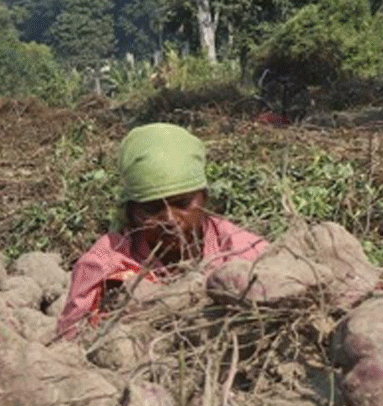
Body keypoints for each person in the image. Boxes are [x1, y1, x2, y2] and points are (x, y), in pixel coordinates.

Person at [56, 122, 269, 338]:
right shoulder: (103, 266)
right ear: (131, 211)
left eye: (182, 203)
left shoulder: (248, 253)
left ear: (204, 198)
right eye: (152, 208)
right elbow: (69, 343)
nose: (169, 219)